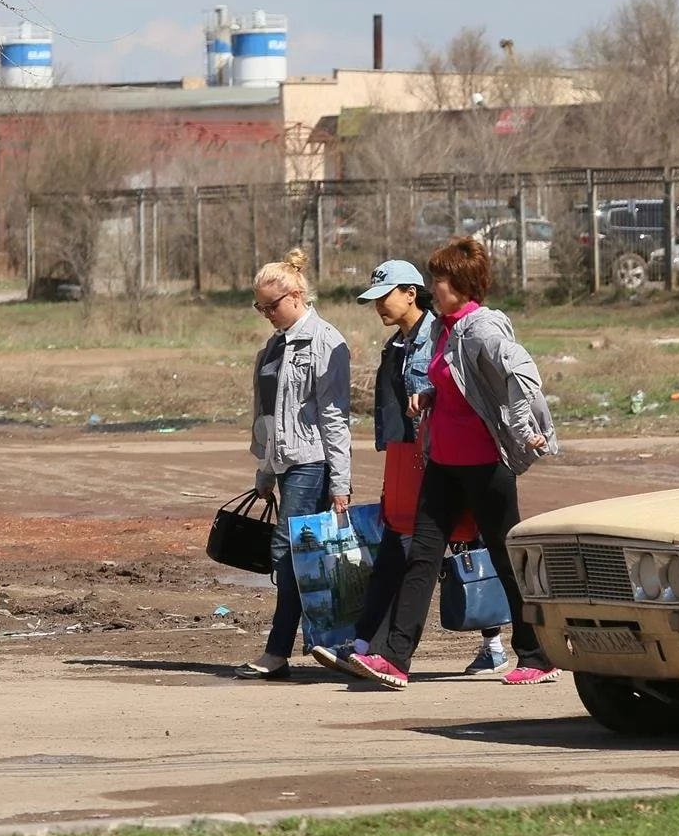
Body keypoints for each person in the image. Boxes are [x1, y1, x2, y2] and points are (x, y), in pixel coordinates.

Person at [347, 237, 561, 690]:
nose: (433, 287)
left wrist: (526, 427)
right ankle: (395, 658)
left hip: (485, 466)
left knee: (505, 558)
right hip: (443, 464)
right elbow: (457, 381)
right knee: (422, 557)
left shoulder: (482, 328)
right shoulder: (445, 327)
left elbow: (522, 375)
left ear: (461, 285)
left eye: (440, 280)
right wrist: (430, 394)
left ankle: (537, 656)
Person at [308, 260, 508, 677]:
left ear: (411, 293)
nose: (379, 306)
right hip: (408, 458)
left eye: (385, 297)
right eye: (375, 299)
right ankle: (368, 644)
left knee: (467, 547)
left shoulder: (439, 336)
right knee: (405, 548)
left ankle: (494, 643)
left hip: (442, 456)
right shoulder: (396, 344)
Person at [236, 249, 351, 680]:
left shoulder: (325, 341)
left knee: (288, 552)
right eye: (260, 307)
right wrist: (266, 470)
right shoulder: (274, 345)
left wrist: (340, 482)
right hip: (283, 463)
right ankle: (333, 642)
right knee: (309, 555)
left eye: (272, 305)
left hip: (312, 461)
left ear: (297, 295)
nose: (267, 314)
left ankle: (278, 651)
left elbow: (334, 417)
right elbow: (268, 415)